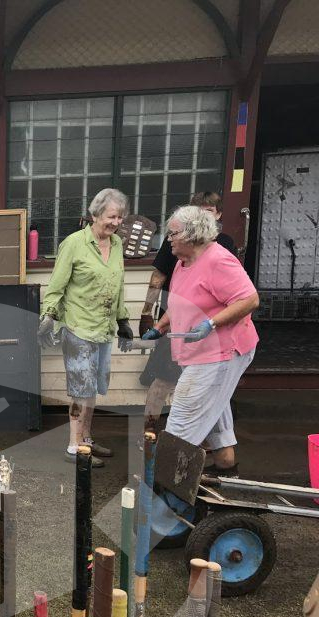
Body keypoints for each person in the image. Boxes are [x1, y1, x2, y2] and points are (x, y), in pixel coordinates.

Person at [143, 206, 259, 477]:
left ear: (193, 234)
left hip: (221, 352)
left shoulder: (218, 260)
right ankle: (226, 468)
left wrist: (211, 323)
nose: (168, 239)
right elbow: (183, 303)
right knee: (215, 408)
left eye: (173, 234)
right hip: (197, 354)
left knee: (183, 418)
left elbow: (249, 299)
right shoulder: (183, 262)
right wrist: (159, 327)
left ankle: (167, 494)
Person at [38, 189, 134, 468]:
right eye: (111, 216)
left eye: (120, 217)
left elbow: (117, 285)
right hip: (79, 327)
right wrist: (49, 317)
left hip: (103, 327)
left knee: (93, 388)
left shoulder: (116, 244)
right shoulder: (74, 244)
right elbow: (57, 285)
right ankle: (74, 447)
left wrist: (123, 320)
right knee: (81, 388)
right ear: (94, 215)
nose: (116, 222)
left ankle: (86, 440)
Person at [138, 192, 237, 434]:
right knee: (163, 379)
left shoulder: (224, 246)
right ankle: (148, 434)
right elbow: (159, 276)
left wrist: (214, 323)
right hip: (175, 323)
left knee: (208, 388)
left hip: (211, 332)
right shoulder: (177, 243)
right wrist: (147, 314)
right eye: (198, 210)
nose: (203, 216)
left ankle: (205, 443)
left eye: (209, 211)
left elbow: (241, 297)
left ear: (219, 214)